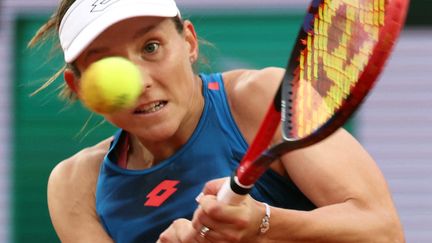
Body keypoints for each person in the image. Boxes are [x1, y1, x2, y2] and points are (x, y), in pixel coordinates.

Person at [29, 0, 404, 242]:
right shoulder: (75, 185)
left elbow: (383, 231)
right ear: (78, 87)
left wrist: (263, 224)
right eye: (106, 66)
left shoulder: (265, 98)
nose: (140, 81)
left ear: (189, 42)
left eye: (151, 47)